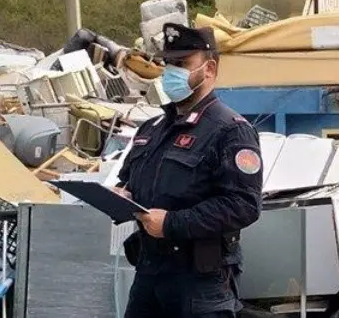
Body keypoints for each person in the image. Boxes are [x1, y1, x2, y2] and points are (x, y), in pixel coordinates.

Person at [113, 22, 264, 318]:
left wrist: (172, 223)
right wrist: (120, 195)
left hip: (199, 283)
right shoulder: (153, 128)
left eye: (182, 64)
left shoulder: (231, 132)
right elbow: (129, 180)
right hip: (149, 274)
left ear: (209, 69)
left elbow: (243, 206)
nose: (171, 72)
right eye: (168, 63)